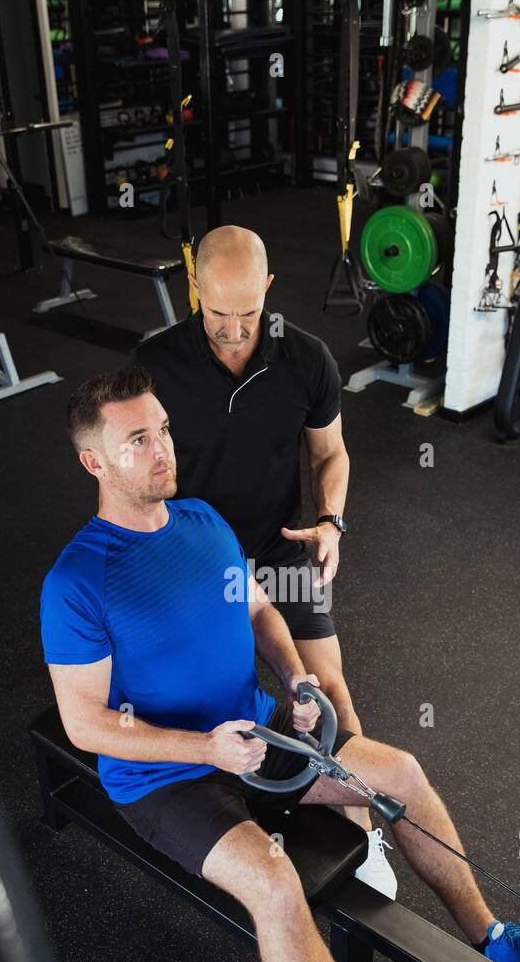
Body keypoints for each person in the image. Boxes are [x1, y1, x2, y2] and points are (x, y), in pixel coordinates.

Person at [41, 367, 520, 962]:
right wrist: (203, 747)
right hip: (167, 777)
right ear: (96, 463)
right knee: (276, 883)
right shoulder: (78, 580)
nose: (163, 450)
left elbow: (258, 608)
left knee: (400, 774)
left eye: (162, 429)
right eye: (138, 441)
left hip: (255, 731)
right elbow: (85, 725)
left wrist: (296, 679)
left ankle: (492, 939)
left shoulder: (200, 521)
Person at [131, 225, 399, 899]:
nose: (231, 328)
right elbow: (127, 476)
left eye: (246, 313)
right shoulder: (154, 364)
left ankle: (364, 835)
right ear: (193, 287)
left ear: (269, 289)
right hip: (191, 558)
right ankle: (229, 827)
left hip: (279, 548)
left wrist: (332, 520)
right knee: (203, 699)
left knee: (324, 691)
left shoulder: (306, 360)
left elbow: (330, 454)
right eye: (217, 313)